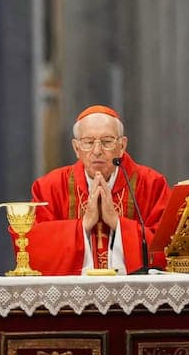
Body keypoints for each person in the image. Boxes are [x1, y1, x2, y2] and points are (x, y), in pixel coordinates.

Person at [17, 105, 171, 275]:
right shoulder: (50, 187)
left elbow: (168, 248)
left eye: (106, 142)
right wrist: (83, 225)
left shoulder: (151, 184)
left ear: (122, 146)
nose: (97, 151)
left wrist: (117, 223)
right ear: (76, 148)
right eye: (88, 143)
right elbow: (35, 249)